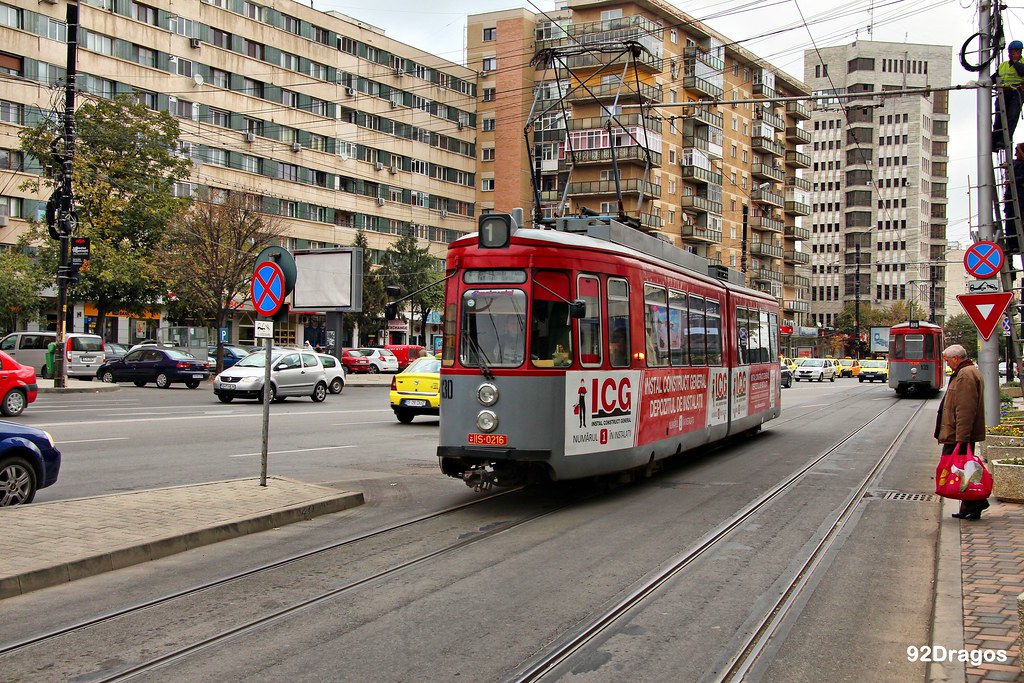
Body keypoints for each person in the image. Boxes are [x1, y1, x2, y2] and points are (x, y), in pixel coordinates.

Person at [934, 344, 990, 520]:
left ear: (956, 358)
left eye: (948, 360)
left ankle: (976, 502)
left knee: (959, 470)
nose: (948, 364)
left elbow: (965, 410)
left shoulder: (965, 375)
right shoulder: (965, 372)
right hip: (957, 433)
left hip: (958, 435)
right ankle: (970, 505)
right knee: (963, 470)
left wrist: (962, 438)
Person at [992, 40, 1024, 151]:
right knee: (999, 119)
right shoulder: (1003, 65)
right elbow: (995, 77)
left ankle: (1004, 141)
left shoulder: (1022, 63)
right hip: (1003, 93)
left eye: (1014, 52)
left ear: (1019, 52)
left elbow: (1022, 72)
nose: (1011, 54)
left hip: (1016, 94)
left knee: (1011, 118)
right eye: (1010, 52)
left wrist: (1016, 62)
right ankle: (995, 142)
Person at [1002, 142, 1024, 254]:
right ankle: (1011, 244)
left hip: (1020, 197)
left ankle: (1017, 243)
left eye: (1017, 151)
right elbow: (1012, 164)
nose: (1015, 153)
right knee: (1009, 221)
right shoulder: (1017, 163)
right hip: (1011, 196)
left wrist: (1012, 181)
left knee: (1019, 220)